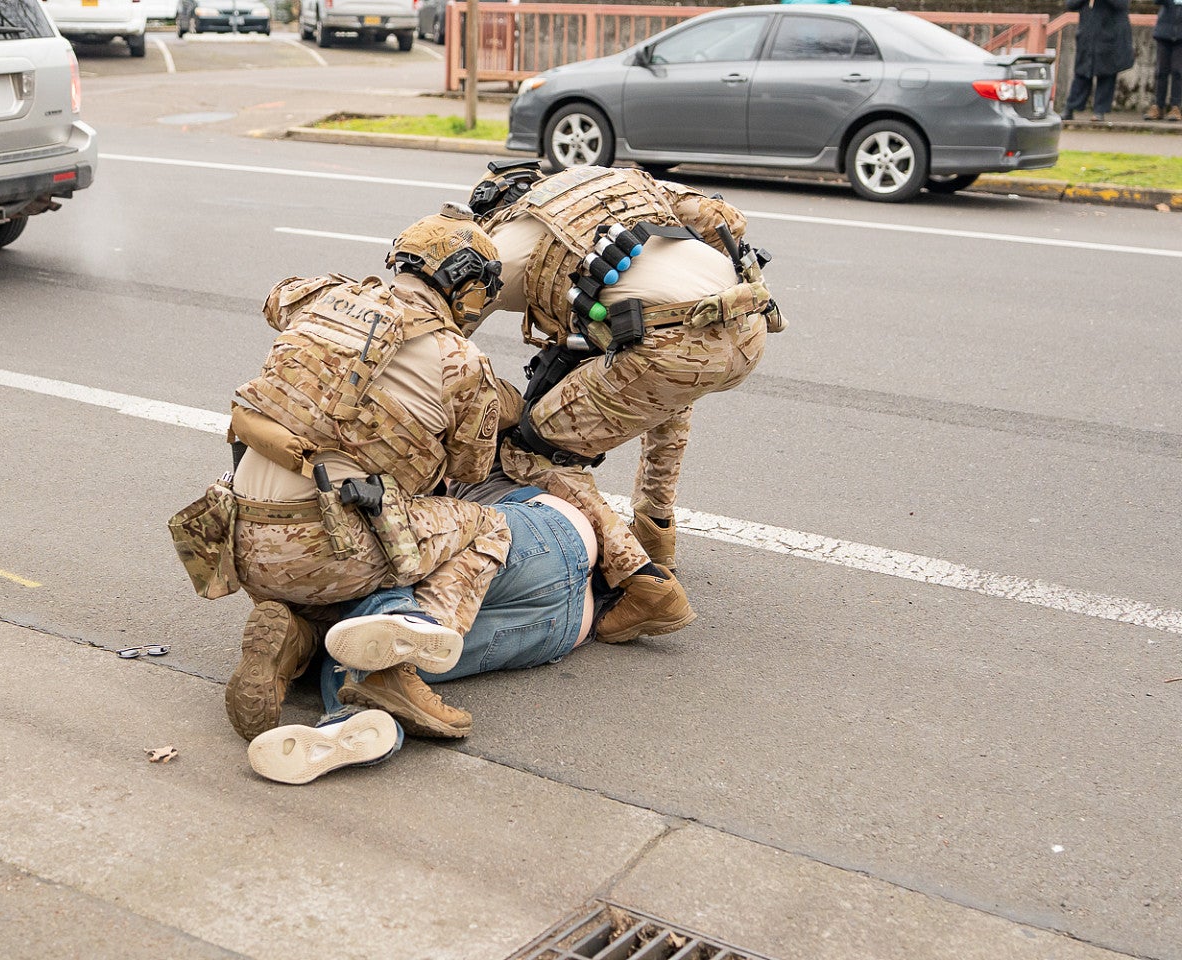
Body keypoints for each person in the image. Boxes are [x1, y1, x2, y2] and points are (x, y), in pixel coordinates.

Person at [182, 203, 516, 743]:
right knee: (486, 524)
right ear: (468, 289)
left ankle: (292, 636)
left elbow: (276, 298)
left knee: (334, 557)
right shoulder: (460, 360)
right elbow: (470, 469)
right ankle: (397, 669)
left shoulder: (322, 296)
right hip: (327, 543)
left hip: (237, 539)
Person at [462, 162, 785, 643]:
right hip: (747, 324)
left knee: (530, 449)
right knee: (668, 397)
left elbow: (441, 347)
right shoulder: (611, 182)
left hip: (665, 347)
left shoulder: (499, 248)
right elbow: (727, 218)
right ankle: (656, 527)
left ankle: (643, 584)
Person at [247, 477, 600, 784]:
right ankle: (344, 703)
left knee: (381, 570)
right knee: (384, 651)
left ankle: (317, 658)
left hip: (543, 531)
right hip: (567, 627)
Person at [1062, 0, 1135, 122]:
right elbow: (1071, 4)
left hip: (1110, 35)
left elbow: (1121, 5)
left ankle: (1099, 111)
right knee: (1081, 73)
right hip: (1087, 35)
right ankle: (1070, 108)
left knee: (1106, 74)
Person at [1145, 0, 1182, 121]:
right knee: (1161, 71)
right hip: (1164, 32)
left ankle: (1175, 106)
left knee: (1178, 71)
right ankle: (1158, 106)